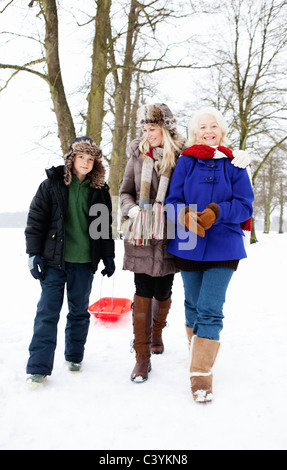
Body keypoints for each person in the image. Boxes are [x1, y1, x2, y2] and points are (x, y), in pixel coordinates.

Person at [165, 106, 254, 402]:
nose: (208, 130)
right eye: (202, 126)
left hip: (224, 246)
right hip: (189, 243)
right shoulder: (186, 162)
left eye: (213, 125)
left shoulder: (235, 164)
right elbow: (173, 200)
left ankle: (200, 374)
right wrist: (186, 216)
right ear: (195, 133)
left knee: (210, 308)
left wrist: (217, 211)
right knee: (192, 303)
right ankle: (196, 349)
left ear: (222, 130)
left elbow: (245, 206)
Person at [25, 136, 115, 385]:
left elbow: (103, 229)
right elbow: (36, 222)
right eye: (81, 157)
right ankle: (38, 368)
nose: (85, 162)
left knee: (78, 312)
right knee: (47, 313)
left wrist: (107, 255)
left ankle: (74, 356)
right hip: (54, 262)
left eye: (90, 158)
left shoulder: (99, 190)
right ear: (71, 158)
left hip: (84, 263)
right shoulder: (51, 185)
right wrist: (33, 255)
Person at [120, 103, 188, 383]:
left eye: (154, 129)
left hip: (171, 233)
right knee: (143, 289)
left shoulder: (183, 158)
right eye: (145, 129)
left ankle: (157, 331)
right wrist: (132, 208)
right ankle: (142, 356)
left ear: (166, 129)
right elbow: (125, 191)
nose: (148, 134)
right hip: (142, 233)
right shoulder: (136, 155)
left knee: (164, 290)